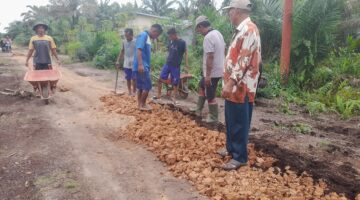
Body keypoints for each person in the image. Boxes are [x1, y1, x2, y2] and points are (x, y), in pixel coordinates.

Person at [219, 0, 262, 170]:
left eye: (230, 11)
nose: (229, 14)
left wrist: (230, 83)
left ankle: (240, 157)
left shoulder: (249, 30)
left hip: (241, 87)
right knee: (231, 119)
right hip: (235, 86)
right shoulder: (241, 31)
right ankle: (231, 148)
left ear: (236, 11)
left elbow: (243, 60)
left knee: (239, 122)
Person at [192, 16, 225, 123]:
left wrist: (208, 75)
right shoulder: (218, 33)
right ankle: (198, 110)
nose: (198, 31)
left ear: (201, 26)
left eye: (198, 29)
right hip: (219, 69)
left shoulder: (208, 37)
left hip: (212, 72)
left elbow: (210, 57)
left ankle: (213, 117)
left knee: (210, 93)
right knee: (201, 85)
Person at [133, 24, 163, 111]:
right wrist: (140, 64)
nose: (156, 37)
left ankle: (139, 105)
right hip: (141, 66)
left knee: (141, 87)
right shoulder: (144, 35)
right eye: (156, 35)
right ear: (154, 31)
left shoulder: (147, 38)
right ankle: (143, 104)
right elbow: (139, 50)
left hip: (143, 65)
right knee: (147, 86)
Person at [155, 28, 188, 101]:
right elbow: (170, 52)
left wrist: (186, 65)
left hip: (176, 66)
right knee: (160, 79)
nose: (170, 38)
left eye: (170, 36)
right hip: (167, 64)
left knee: (175, 83)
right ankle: (159, 95)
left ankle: (174, 97)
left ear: (175, 34)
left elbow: (186, 53)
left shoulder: (182, 42)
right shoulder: (171, 42)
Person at [116, 28, 136, 96]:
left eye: (127, 36)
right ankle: (129, 92)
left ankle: (134, 92)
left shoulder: (136, 41)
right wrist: (118, 60)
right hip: (126, 62)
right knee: (128, 78)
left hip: (134, 62)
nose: (126, 37)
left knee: (134, 78)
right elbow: (122, 51)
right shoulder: (124, 41)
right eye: (125, 36)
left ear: (131, 35)